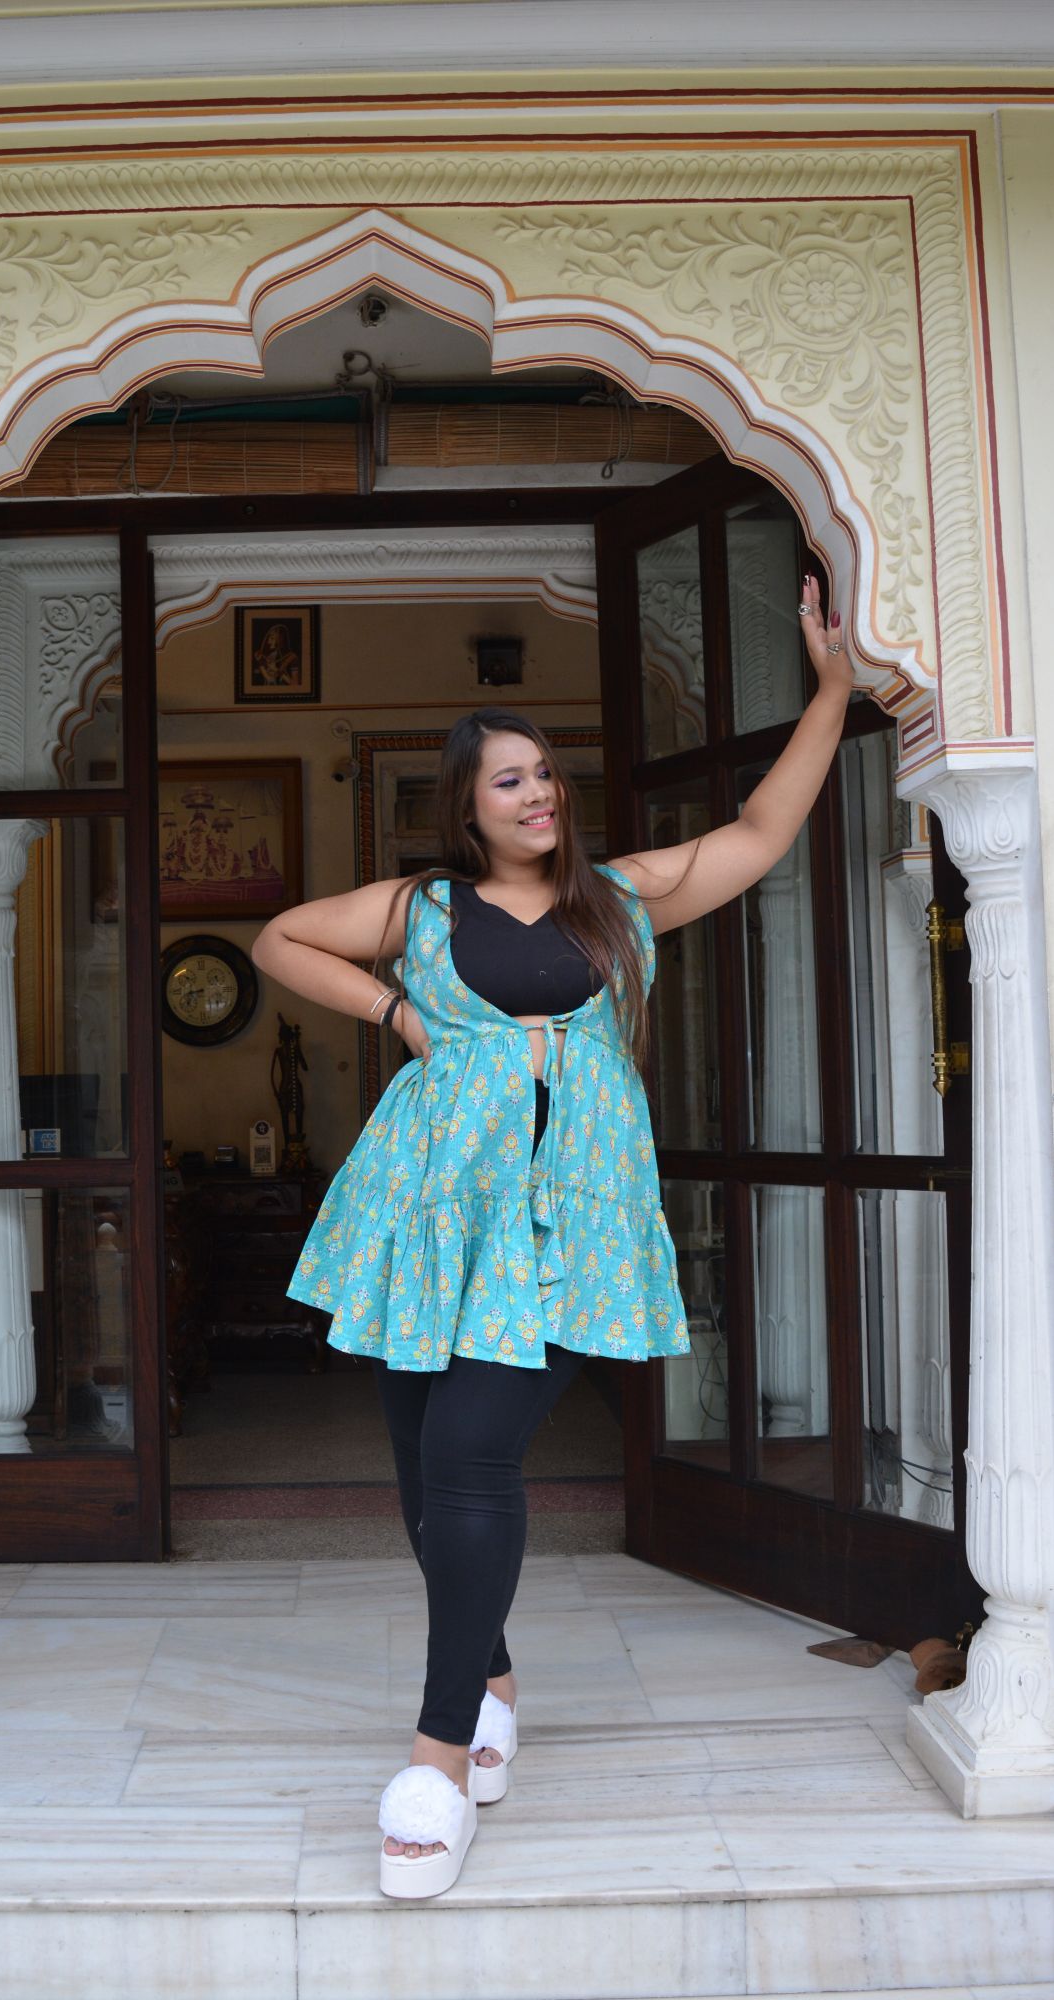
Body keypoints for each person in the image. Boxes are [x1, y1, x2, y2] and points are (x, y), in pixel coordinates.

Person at [251, 575, 851, 1899]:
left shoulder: (619, 900)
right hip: (428, 1214)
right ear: (465, 804)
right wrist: (399, 1018)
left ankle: (437, 1755)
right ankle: (496, 1677)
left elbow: (758, 832)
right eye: (507, 782)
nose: (534, 796)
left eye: (544, 778)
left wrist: (829, 696)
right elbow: (280, 937)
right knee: (421, 1473)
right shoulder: (419, 908)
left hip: (564, 1228)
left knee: (470, 1458)